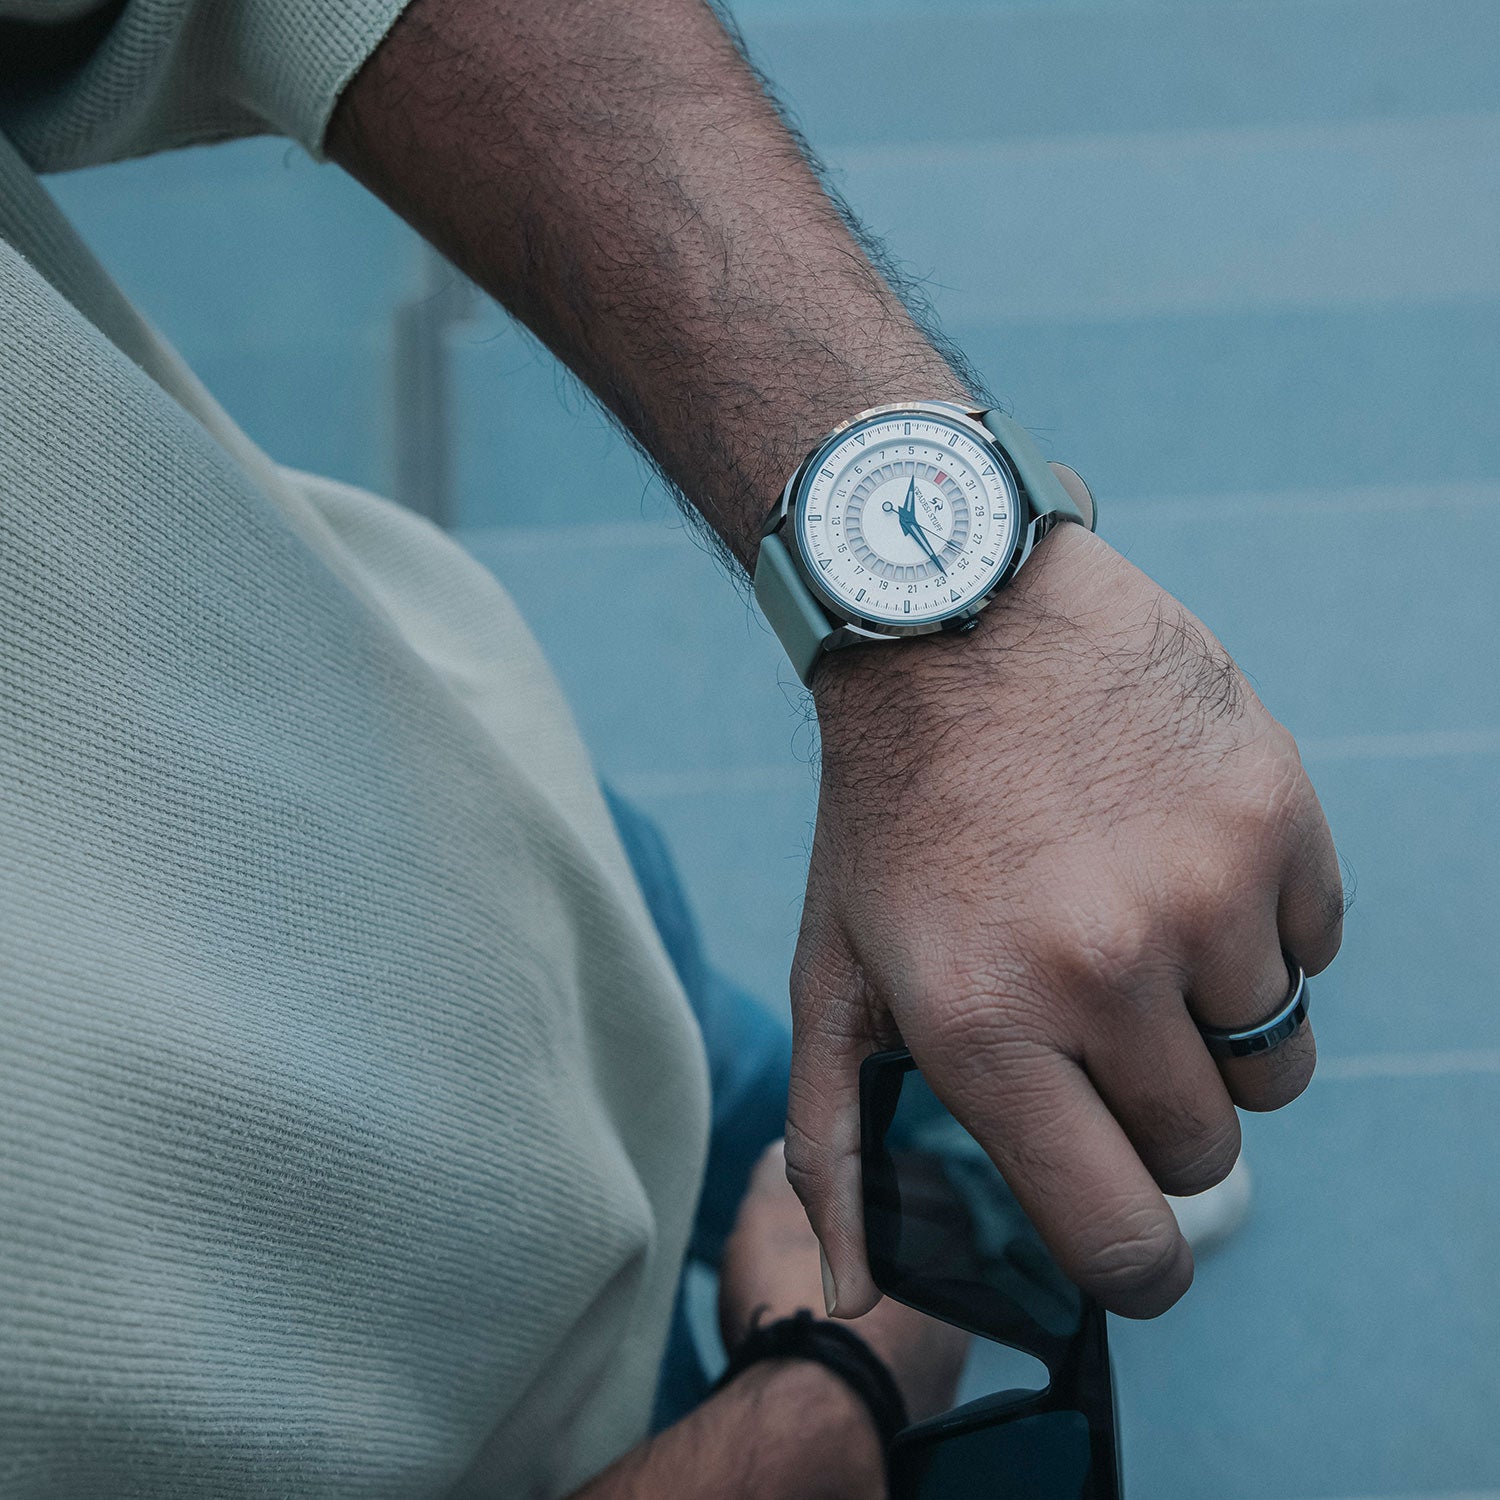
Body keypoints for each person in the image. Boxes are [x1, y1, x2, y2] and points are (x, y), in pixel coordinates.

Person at [0, 0, 1342, 1494]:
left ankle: (975, 1165)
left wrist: (942, 634)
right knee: (886, 1149)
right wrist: (831, 1398)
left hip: (437, 810)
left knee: (781, 1066)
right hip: (501, 1402)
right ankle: (986, 1188)